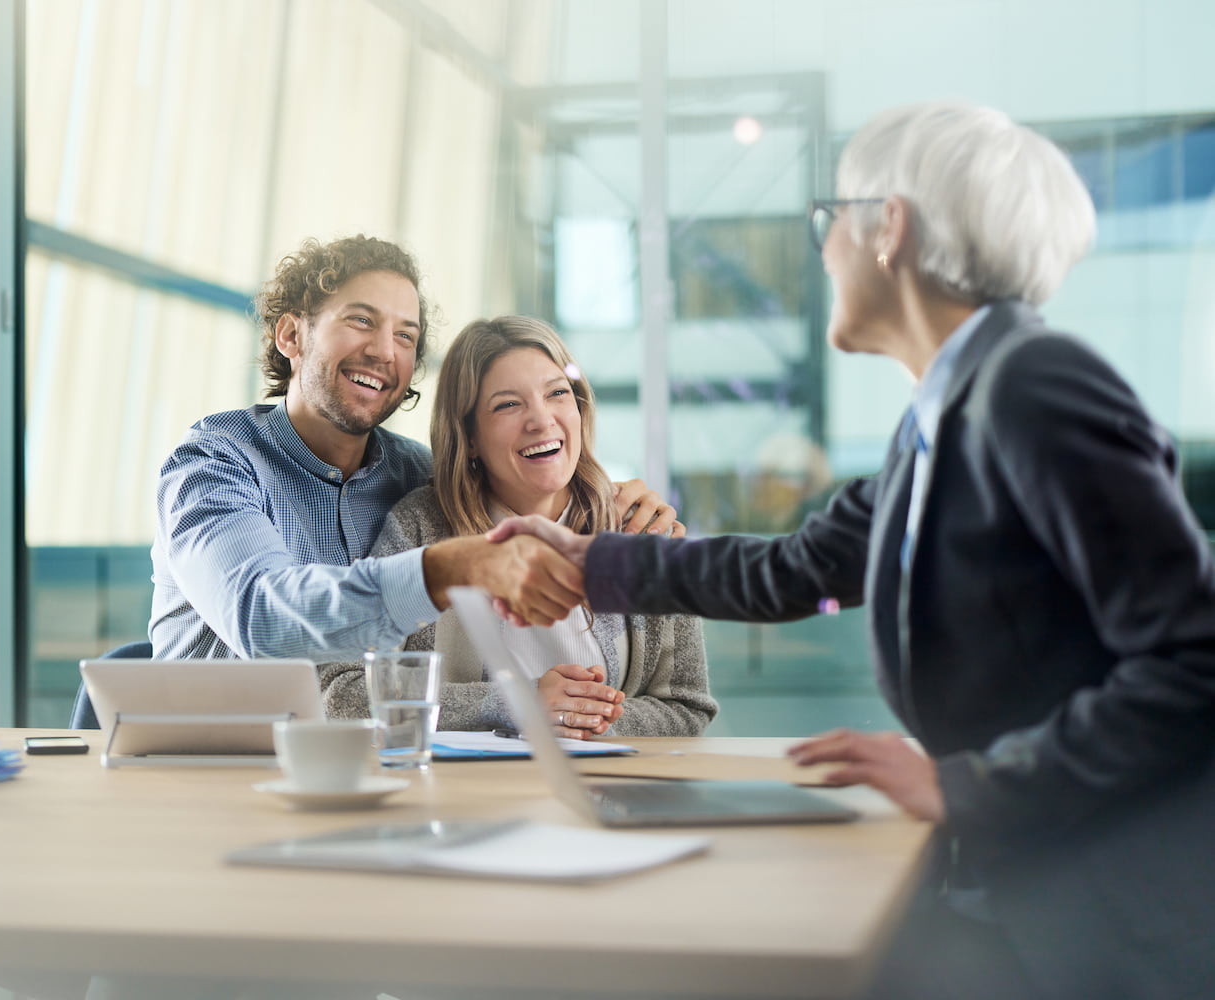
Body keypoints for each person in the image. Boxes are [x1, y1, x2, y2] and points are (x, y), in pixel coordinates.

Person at [490, 103, 1215, 999]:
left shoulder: (1035, 384)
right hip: (1023, 887)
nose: (824, 251)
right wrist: (588, 559)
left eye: (830, 222)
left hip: (1108, 920)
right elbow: (794, 569)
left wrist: (971, 787)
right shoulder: (941, 414)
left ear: (890, 228)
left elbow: (1194, 657)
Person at [148, 234, 677, 665]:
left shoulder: (417, 476)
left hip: (361, 771)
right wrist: (446, 567)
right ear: (291, 334)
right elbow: (264, 622)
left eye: (406, 336)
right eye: (361, 320)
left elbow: (525, 475)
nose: (383, 351)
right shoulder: (214, 464)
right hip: (208, 765)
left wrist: (618, 504)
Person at [319, 316, 717, 738]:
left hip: (607, 796)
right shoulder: (419, 527)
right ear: (468, 436)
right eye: (508, 404)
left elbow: (687, 705)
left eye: (558, 394)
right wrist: (515, 705)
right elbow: (344, 694)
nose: (541, 420)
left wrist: (582, 720)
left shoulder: (641, 528)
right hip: (467, 798)